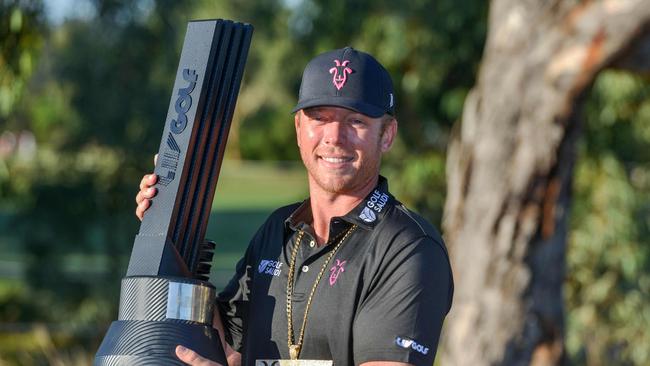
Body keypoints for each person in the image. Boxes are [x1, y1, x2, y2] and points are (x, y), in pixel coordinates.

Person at [135, 47, 453, 366]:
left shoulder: (408, 248)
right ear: (299, 129)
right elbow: (227, 350)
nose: (334, 137)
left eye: (355, 121)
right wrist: (172, 228)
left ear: (387, 135)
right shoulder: (278, 229)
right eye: (319, 118)